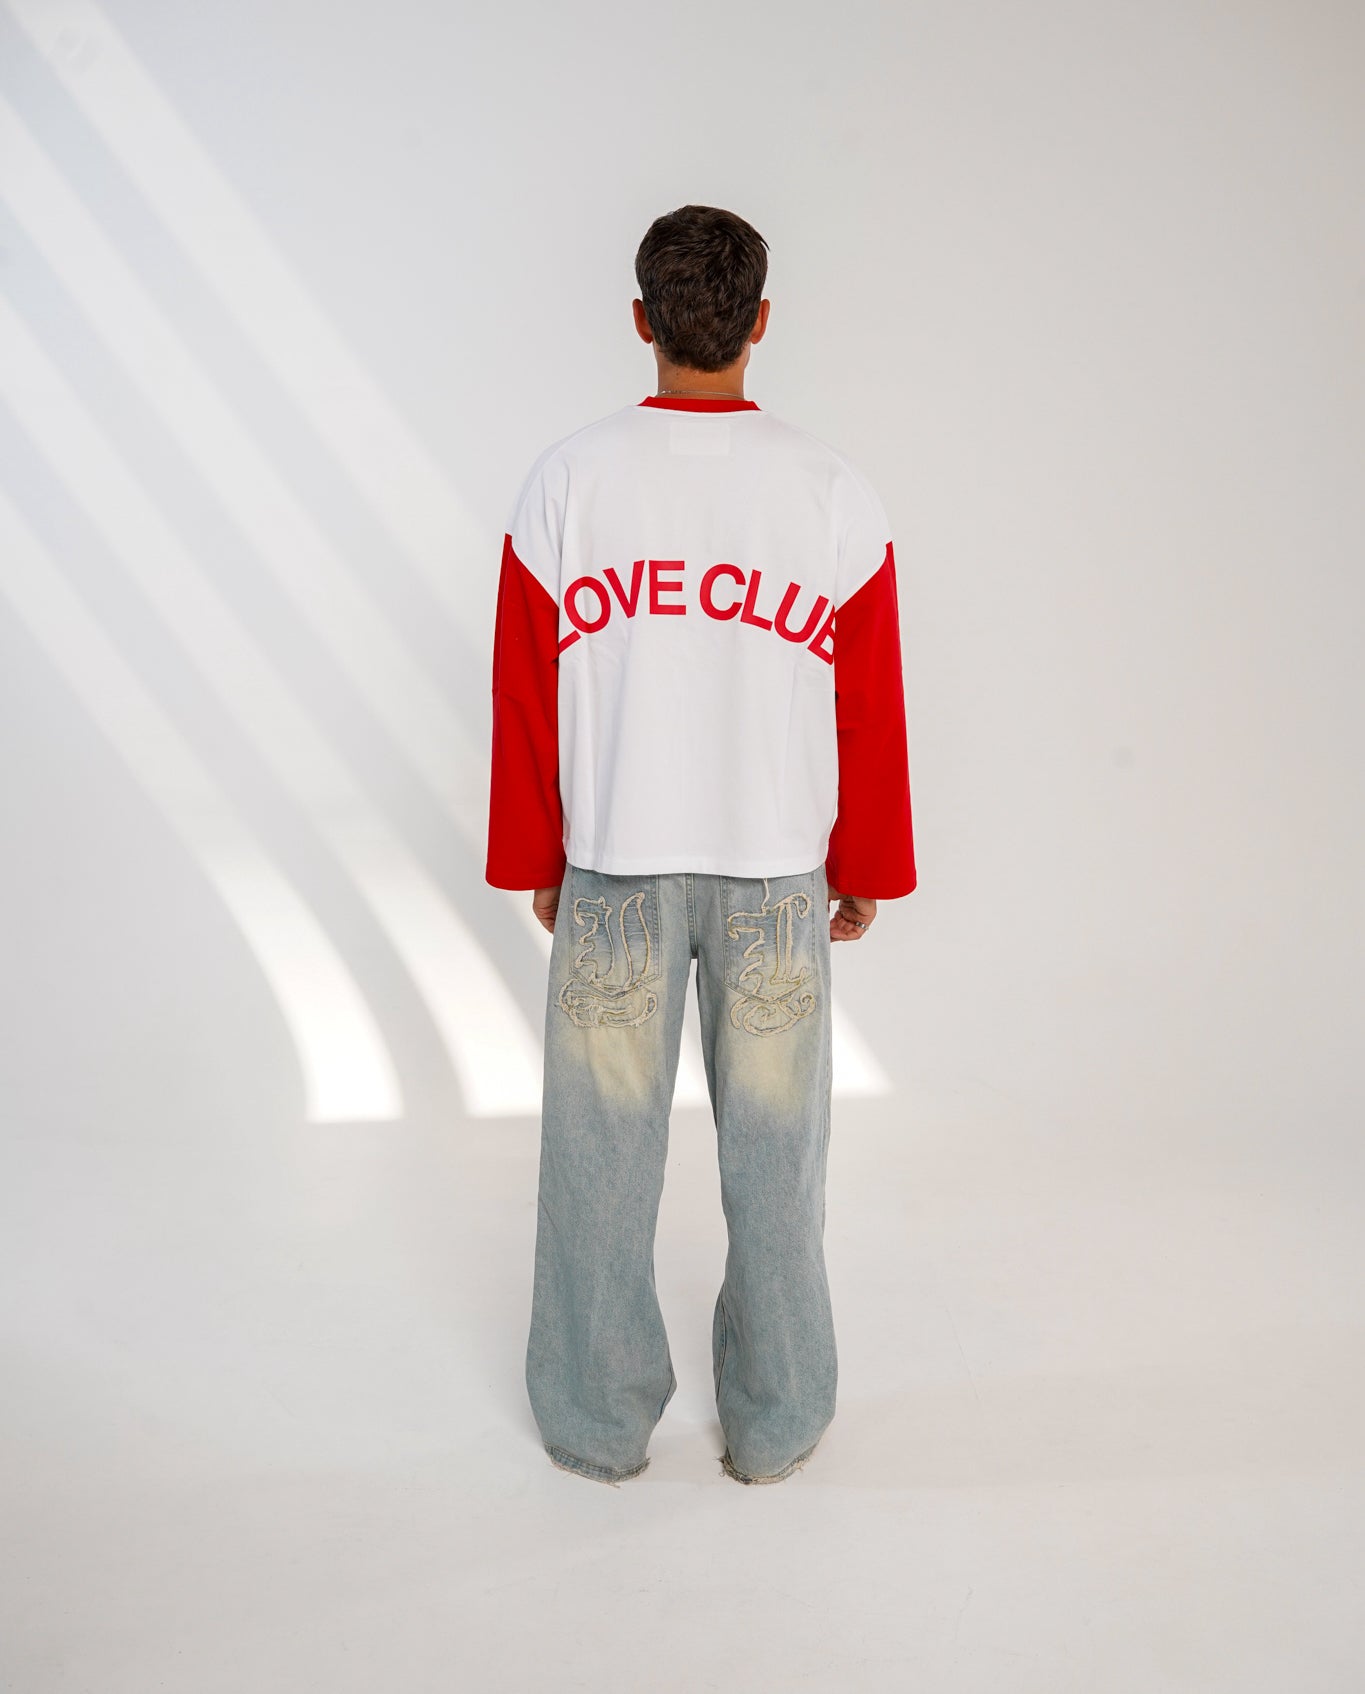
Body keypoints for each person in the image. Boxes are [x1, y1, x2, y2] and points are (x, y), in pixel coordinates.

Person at [485, 204, 916, 1486]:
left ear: (641, 319)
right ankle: (777, 1420)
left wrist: (537, 855)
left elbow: (524, 691)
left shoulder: (569, 480)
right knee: (780, 1160)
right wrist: (866, 865)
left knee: (598, 1157)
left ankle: (594, 1420)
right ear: (761, 321)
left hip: (615, 861)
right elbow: (868, 700)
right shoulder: (830, 491)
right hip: (774, 869)